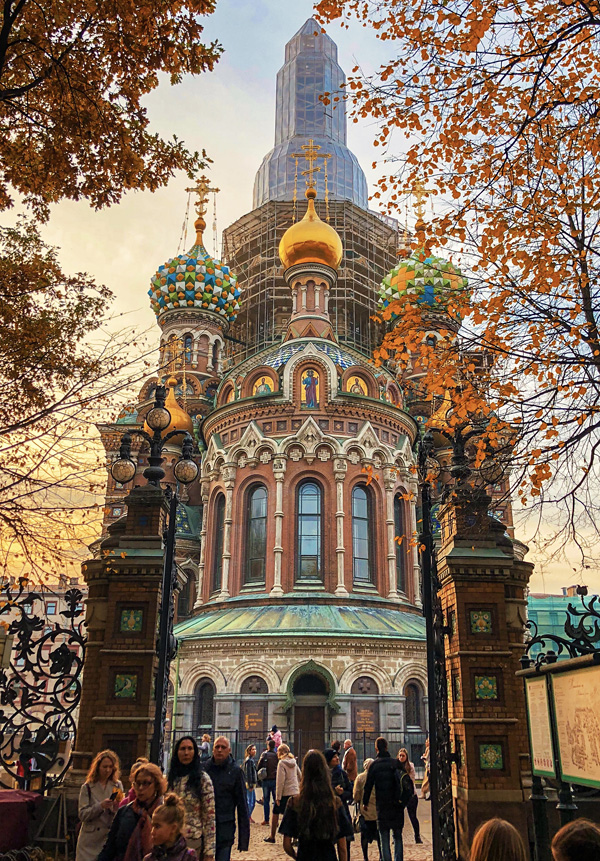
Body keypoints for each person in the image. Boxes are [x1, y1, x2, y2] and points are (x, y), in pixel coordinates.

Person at [279, 749, 353, 861]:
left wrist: (296, 856)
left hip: (305, 854)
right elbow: (342, 846)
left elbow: (287, 844)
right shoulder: (334, 803)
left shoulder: (295, 802)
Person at [99, 763, 165, 861]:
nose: (141, 788)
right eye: (137, 784)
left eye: (146, 783)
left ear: (156, 785)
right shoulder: (124, 812)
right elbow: (110, 848)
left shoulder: (165, 814)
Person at [363, 737, 413, 861]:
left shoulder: (374, 765)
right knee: (397, 837)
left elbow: (368, 786)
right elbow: (405, 783)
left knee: (384, 838)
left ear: (376, 749)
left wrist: (365, 802)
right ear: (386, 747)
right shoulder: (395, 763)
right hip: (397, 805)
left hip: (382, 806)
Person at [167, 736, 216, 861]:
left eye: (190, 749)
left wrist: (209, 852)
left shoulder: (203, 779)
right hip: (170, 840)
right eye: (183, 749)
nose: (186, 752)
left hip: (192, 841)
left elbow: (209, 817)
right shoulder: (171, 779)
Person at [204, 736, 249, 861]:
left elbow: (242, 807)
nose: (219, 750)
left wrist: (243, 840)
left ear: (229, 750)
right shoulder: (204, 769)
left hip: (224, 831)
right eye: (217, 747)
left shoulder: (235, 772)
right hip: (204, 830)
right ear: (212, 749)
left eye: (223, 747)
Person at [76, 749, 123, 861]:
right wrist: (100, 806)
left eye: (110, 767)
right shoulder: (87, 787)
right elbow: (82, 814)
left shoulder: (117, 785)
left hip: (107, 838)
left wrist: (116, 807)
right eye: (104, 767)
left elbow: (120, 810)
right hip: (89, 840)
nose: (107, 770)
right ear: (98, 767)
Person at [264, 744, 301, 844]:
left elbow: (280, 781)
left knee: (275, 813)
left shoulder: (281, 763)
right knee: (294, 814)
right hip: (295, 792)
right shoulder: (294, 762)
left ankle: (272, 836)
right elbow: (300, 775)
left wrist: (278, 797)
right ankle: (296, 838)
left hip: (285, 793)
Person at [144, 793, 197, 861]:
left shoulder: (188, 856)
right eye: (152, 826)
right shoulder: (149, 858)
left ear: (173, 828)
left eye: (157, 826)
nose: (152, 832)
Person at [323, 748, 353, 855]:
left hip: (342, 811)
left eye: (337, 756)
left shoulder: (342, 774)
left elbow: (351, 792)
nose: (337, 758)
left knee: (345, 844)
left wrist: (342, 793)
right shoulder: (322, 775)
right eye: (334, 757)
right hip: (327, 813)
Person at [353, 758, 381, 861]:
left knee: (364, 835)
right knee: (378, 835)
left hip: (365, 811)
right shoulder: (378, 777)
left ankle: (365, 857)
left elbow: (356, 795)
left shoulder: (360, 778)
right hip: (376, 811)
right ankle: (381, 855)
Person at [397, 749, 421, 844]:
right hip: (400, 795)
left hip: (411, 794)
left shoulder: (410, 766)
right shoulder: (396, 766)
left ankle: (417, 836)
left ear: (406, 756)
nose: (401, 757)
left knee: (413, 816)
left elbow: (412, 780)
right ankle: (397, 836)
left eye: (403, 756)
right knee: (398, 817)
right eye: (400, 755)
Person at [257, 739, 278, 826]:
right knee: (276, 801)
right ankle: (275, 820)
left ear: (268, 746)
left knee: (266, 801)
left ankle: (266, 820)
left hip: (266, 780)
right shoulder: (276, 755)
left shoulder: (264, 754)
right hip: (274, 780)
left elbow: (259, 766)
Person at [242, 745, 258, 824]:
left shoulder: (250, 760)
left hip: (251, 783)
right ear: (249, 751)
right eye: (253, 749)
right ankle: (247, 817)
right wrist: (250, 784)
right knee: (250, 802)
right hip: (250, 784)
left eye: (255, 749)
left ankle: (248, 816)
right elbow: (248, 773)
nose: (254, 751)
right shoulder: (249, 761)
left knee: (252, 801)